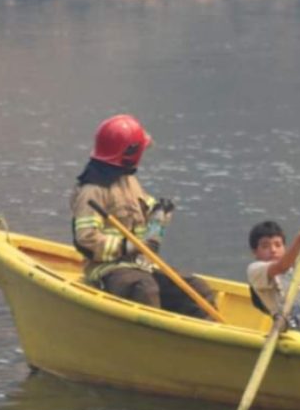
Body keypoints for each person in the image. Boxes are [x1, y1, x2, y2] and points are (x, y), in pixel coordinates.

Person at [70, 114, 215, 318]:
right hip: (107, 269)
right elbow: (85, 240)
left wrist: (159, 216)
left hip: (141, 265)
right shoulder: (92, 191)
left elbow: (143, 216)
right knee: (144, 290)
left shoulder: (129, 180)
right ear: (131, 153)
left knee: (197, 288)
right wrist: (128, 246)